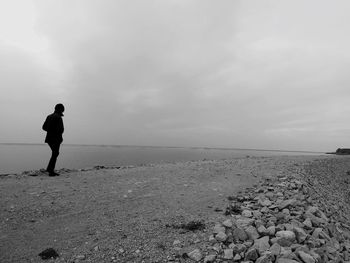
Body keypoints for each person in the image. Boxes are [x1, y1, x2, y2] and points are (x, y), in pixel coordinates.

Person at [42, 104, 65, 176]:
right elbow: (61, 130)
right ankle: (50, 171)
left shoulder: (49, 116)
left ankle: (49, 169)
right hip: (56, 139)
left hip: (49, 138)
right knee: (55, 153)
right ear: (60, 110)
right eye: (62, 110)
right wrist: (56, 134)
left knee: (55, 153)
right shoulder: (58, 117)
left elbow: (44, 127)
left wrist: (50, 131)